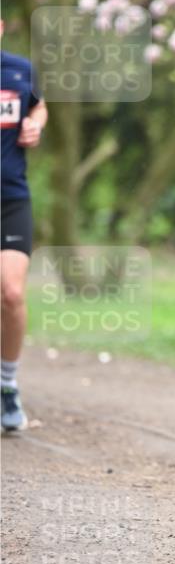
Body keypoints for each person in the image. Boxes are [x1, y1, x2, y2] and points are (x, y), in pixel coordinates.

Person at [1, 32, 48, 432]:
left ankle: (7, 385)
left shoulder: (19, 69)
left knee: (12, 292)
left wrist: (34, 124)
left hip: (11, 199)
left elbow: (39, 107)